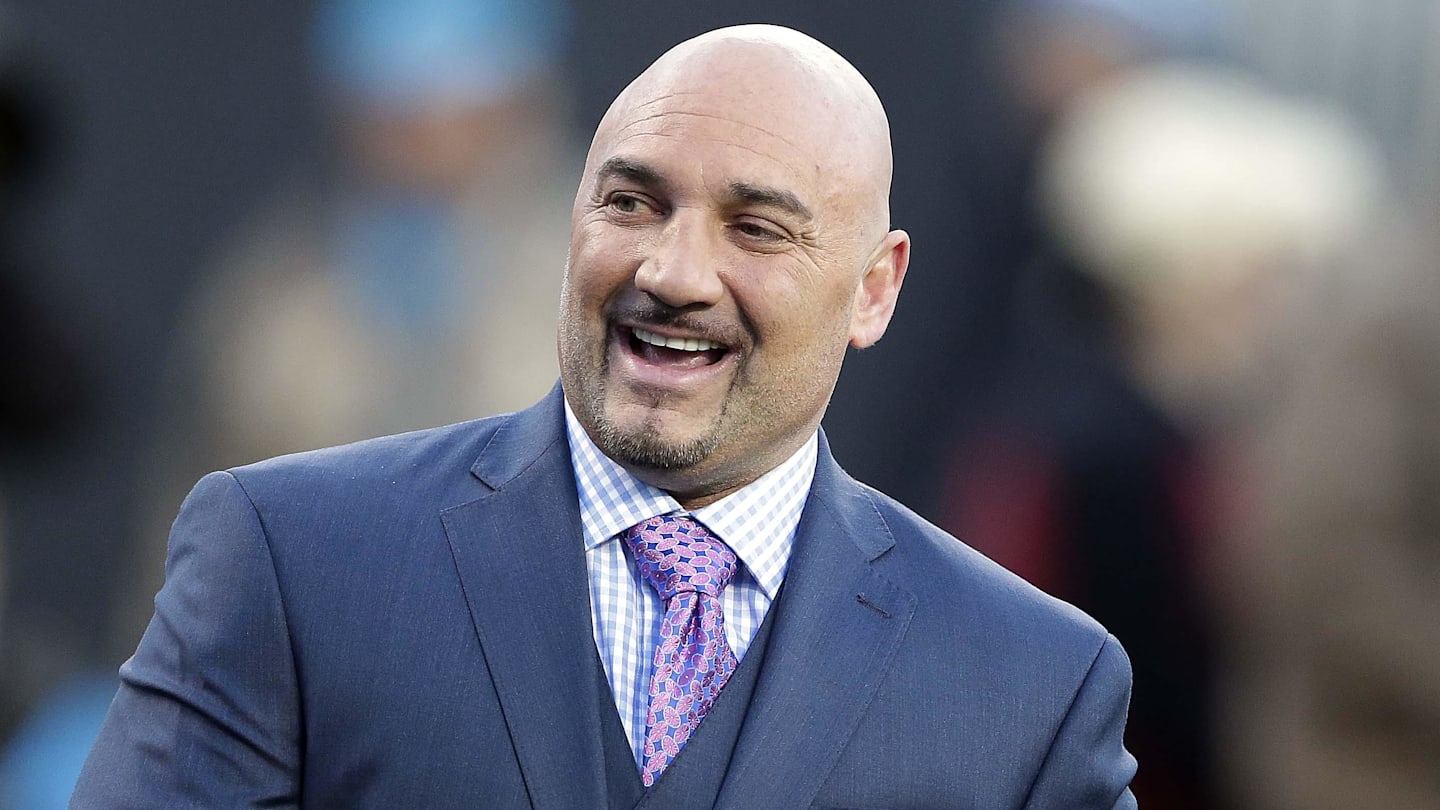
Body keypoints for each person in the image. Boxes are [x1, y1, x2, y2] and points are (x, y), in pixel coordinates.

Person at [72, 25, 1136, 808]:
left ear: (874, 288)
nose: (673, 272)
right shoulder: (290, 564)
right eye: (632, 204)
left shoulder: (1031, 688)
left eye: (756, 228)